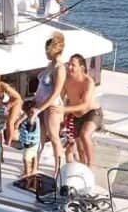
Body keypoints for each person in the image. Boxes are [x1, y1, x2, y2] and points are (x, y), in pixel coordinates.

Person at [55, 54, 102, 167]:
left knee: (85, 134)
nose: (69, 67)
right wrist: (62, 117)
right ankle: (83, 167)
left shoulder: (88, 82)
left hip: (92, 113)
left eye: (73, 65)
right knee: (80, 149)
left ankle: (90, 165)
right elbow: (61, 99)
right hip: (75, 116)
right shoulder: (66, 81)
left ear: (81, 67)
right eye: (69, 64)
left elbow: (84, 105)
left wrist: (64, 109)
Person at [31, 31, 67, 173]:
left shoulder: (59, 68)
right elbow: (42, 88)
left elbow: (56, 92)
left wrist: (41, 108)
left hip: (51, 106)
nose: (45, 52)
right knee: (38, 138)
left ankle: (58, 170)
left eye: (47, 49)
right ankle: (34, 167)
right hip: (40, 105)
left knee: (53, 137)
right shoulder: (50, 65)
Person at [17, 99, 41, 181]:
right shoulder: (36, 119)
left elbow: (30, 127)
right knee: (34, 155)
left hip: (29, 144)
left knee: (26, 159)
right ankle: (34, 170)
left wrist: (32, 115)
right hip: (35, 143)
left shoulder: (31, 121)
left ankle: (27, 173)